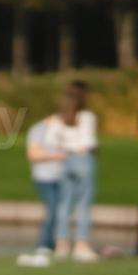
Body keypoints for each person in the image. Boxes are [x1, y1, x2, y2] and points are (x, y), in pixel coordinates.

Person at [15, 108, 67, 268]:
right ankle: (44, 244)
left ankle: (55, 244)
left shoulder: (64, 129)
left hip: (62, 177)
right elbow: (32, 154)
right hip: (44, 177)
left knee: (60, 210)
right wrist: (54, 156)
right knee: (53, 209)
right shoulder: (39, 129)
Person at [54, 81, 100, 263]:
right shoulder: (87, 117)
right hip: (83, 158)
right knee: (83, 204)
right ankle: (81, 245)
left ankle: (61, 244)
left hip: (66, 159)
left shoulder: (61, 117)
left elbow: (56, 140)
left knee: (64, 204)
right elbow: (89, 142)